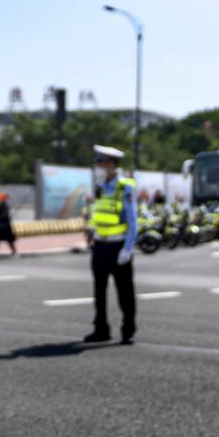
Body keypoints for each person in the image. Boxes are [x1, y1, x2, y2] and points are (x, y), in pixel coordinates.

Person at [84, 145, 138, 345]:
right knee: (99, 291)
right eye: (99, 161)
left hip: (118, 246)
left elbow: (132, 220)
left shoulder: (125, 187)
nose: (99, 164)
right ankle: (101, 329)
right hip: (100, 245)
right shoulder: (99, 186)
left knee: (124, 291)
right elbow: (98, 214)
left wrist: (127, 248)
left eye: (102, 161)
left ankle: (128, 328)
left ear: (112, 163)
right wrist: (92, 230)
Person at [0, 192, 17, 257]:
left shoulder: (5, 206)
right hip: (2, 225)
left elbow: (4, 216)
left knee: (7, 240)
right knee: (0, 240)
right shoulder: (2, 205)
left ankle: (14, 252)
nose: (0, 200)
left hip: (5, 225)